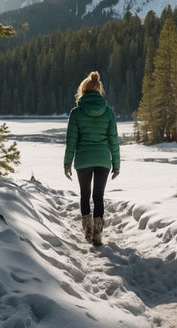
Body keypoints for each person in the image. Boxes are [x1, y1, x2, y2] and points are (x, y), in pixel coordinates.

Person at [63, 71, 120, 245]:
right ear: (99, 90)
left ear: (83, 90)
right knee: (98, 195)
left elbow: (71, 141)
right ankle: (97, 233)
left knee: (85, 194)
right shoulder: (108, 112)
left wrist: (67, 162)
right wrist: (116, 165)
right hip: (103, 160)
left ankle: (87, 229)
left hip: (83, 160)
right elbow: (113, 141)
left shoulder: (76, 112)